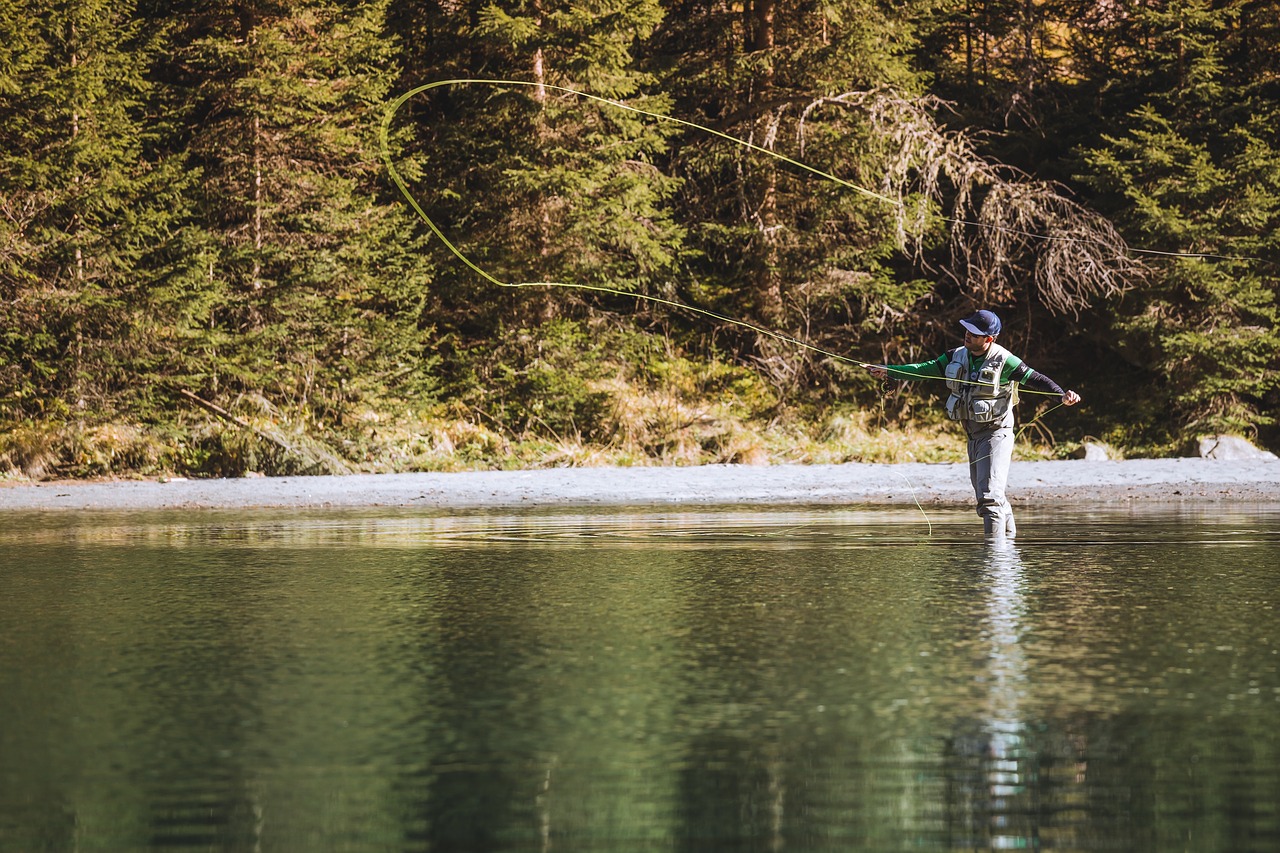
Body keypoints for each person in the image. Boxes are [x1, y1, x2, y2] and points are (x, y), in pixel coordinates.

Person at [866, 310, 1081, 539]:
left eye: (975, 334)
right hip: (973, 436)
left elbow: (1036, 379)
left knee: (989, 498)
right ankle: (1007, 549)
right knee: (989, 494)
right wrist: (890, 371)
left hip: (997, 434)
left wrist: (1061, 395)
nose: (967, 335)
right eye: (967, 330)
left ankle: (993, 559)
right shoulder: (955, 355)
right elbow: (923, 370)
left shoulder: (1005, 360)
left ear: (989, 339)